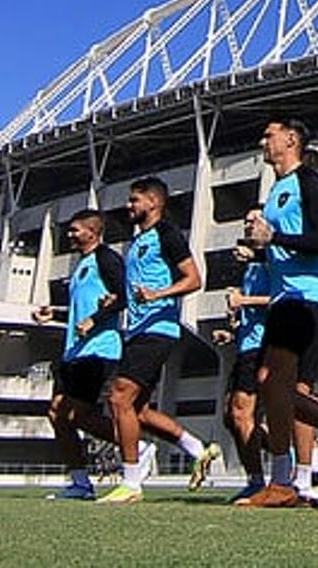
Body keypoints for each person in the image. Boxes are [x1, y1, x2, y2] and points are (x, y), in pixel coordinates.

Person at [236, 118, 318, 507]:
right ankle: (295, 475)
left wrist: (274, 238)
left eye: (270, 134)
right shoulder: (277, 189)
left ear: (292, 140)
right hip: (285, 296)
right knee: (274, 384)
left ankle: (287, 479)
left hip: (307, 297)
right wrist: (261, 252)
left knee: (273, 381)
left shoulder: (309, 180)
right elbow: (286, 246)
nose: (262, 140)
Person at [99, 177, 216, 502]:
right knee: (137, 410)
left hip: (158, 329)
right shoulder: (138, 242)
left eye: (134, 200)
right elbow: (134, 291)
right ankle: (198, 449)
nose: (129, 206)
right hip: (135, 330)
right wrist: (115, 301)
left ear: (153, 202)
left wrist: (158, 294)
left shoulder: (167, 234)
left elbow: (194, 279)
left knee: (119, 398)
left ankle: (132, 482)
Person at [35, 209, 124, 500]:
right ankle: (80, 482)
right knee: (57, 413)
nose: (70, 235)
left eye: (75, 230)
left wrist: (95, 320)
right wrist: (57, 314)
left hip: (99, 349)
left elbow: (122, 297)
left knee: (75, 413)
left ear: (92, 232)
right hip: (74, 350)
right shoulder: (82, 265)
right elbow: (81, 310)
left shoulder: (106, 258)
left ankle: (133, 445)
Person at [210, 246, 271, 501]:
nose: (248, 225)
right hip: (246, 346)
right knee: (230, 417)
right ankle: (306, 459)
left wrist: (243, 301)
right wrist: (233, 330)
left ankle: (258, 481)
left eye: (253, 220)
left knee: (241, 413)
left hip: (263, 346)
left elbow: (282, 298)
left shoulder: (272, 261)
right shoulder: (250, 269)